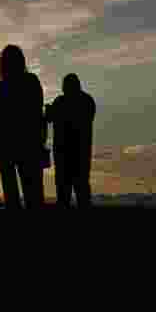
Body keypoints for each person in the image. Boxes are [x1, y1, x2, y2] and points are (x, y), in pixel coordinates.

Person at [0, 45, 47, 211]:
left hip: (7, 142)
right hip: (28, 141)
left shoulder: (2, 86)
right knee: (32, 191)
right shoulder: (31, 81)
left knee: (11, 191)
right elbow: (36, 110)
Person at [45, 73, 96, 210]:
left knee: (64, 192)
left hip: (64, 154)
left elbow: (49, 118)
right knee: (82, 189)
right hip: (81, 153)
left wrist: (50, 111)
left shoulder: (60, 102)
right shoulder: (87, 101)